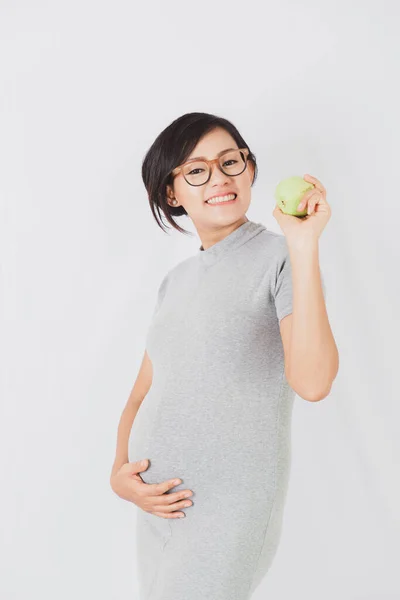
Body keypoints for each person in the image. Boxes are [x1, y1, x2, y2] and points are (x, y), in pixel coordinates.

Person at [110, 112, 339, 600]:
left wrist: (303, 245)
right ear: (172, 191)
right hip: (157, 508)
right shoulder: (175, 282)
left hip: (227, 512)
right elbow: (141, 394)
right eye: (196, 169)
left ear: (249, 169)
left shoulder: (282, 258)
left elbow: (313, 382)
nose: (219, 178)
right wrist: (119, 474)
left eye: (230, 161)